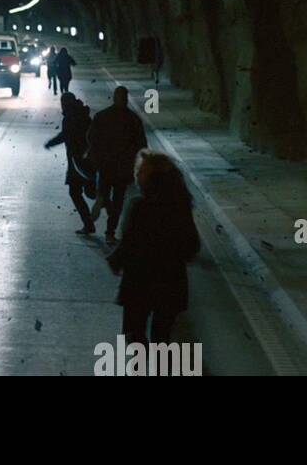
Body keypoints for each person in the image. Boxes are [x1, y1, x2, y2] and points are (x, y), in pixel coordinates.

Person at [107, 150, 200, 344]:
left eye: (141, 172)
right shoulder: (181, 207)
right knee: (162, 337)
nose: (137, 175)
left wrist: (116, 262)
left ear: (153, 178)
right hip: (171, 282)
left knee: (135, 334)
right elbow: (192, 245)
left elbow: (129, 242)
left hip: (139, 282)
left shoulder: (140, 207)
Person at [87, 86, 148, 244]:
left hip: (105, 164)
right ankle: (110, 232)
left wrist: (95, 158)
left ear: (114, 98)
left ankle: (102, 199)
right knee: (119, 200)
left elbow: (91, 138)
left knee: (105, 190)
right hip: (124, 167)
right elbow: (142, 144)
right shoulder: (133, 119)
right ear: (126, 99)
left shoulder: (102, 116)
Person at [44, 93, 97, 234]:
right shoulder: (84, 115)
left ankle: (90, 223)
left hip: (77, 162)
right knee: (88, 191)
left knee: (76, 193)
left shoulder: (70, 118)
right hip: (87, 160)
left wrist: (51, 143)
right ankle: (95, 220)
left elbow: (66, 135)